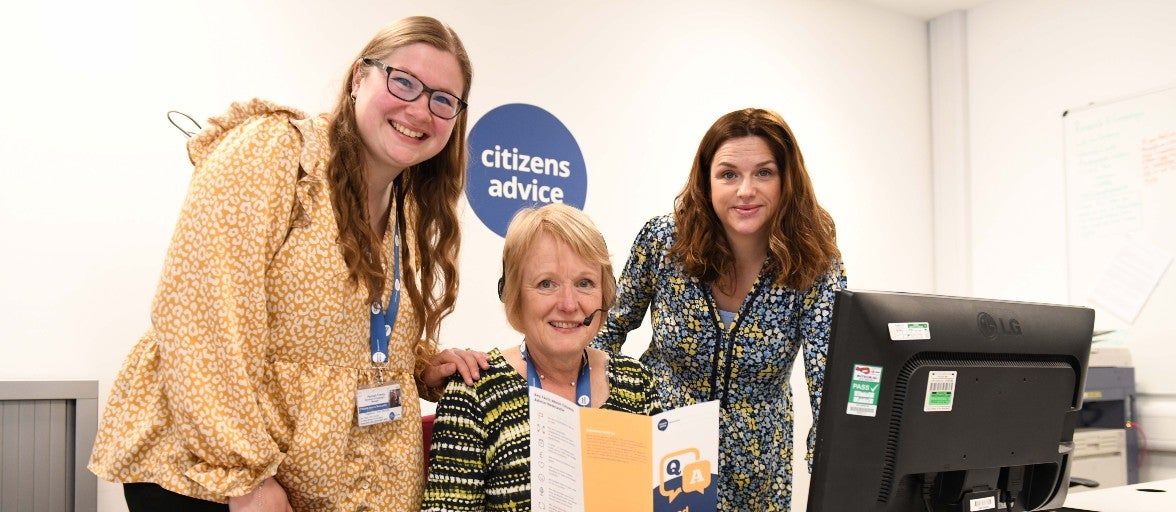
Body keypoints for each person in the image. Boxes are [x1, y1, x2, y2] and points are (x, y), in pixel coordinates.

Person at [87, 16, 489, 512]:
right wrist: (245, 479)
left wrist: (424, 365)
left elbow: (349, 339)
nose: (420, 109)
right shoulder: (277, 151)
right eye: (403, 81)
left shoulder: (406, 206)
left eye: (442, 99)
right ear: (359, 78)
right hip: (214, 482)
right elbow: (200, 320)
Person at [592, 108, 848, 511]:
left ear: (787, 181)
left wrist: (841, 471)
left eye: (764, 172)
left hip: (758, 475)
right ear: (706, 182)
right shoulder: (664, 242)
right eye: (729, 174)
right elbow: (607, 328)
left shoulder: (814, 262)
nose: (746, 189)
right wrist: (595, 413)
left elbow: (829, 380)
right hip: (661, 457)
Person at [421, 203, 661, 512]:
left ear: (605, 294)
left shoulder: (636, 383)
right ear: (514, 294)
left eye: (584, 283)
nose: (568, 303)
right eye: (546, 283)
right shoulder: (475, 390)